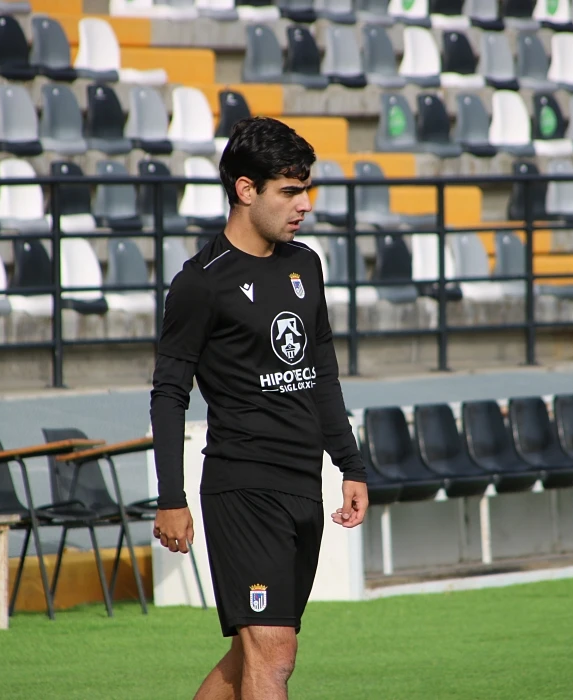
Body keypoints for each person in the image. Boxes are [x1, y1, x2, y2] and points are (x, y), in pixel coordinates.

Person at [149, 117, 369, 700]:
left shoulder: (306, 265)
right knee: (274, 653)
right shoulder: (200, 283)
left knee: (252, 654)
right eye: (290, 191)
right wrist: (170, 498)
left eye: (306, 190)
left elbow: (321, 373)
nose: (305, 205)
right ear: (246, 189)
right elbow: (169, 393)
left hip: (302, 485)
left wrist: (350, 464)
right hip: (243, 489)